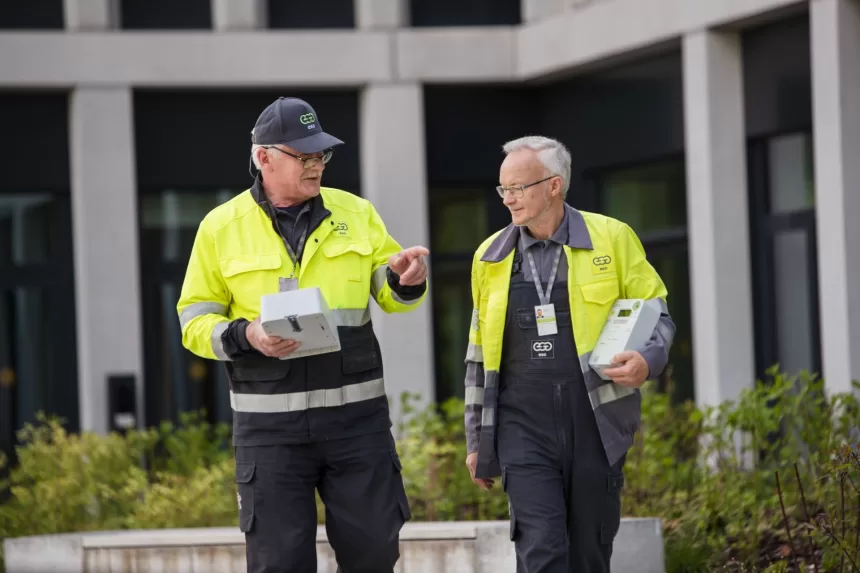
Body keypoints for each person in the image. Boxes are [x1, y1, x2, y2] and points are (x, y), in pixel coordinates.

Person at [177, 96, 429, 573]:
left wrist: (404, 279)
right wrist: (247, 335)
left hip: (357, 424)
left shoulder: (356, 213)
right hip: (270, 433)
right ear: (264, 157)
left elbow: (390, 291)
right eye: (304, 156)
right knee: (279, 563)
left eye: (321, 156)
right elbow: (194, 322)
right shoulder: (220, 228)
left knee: (375, 552)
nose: (316, 166)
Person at [463, 136, 675, 572]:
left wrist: (646, 360)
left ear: (554, 185)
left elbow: (658, 315)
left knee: (589, 555)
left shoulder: (613, 239)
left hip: (596, 420)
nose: (508, 199)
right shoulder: (490, 256)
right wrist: (475, 439)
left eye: (518, 188)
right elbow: (477, 355)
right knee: (541, 552)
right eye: (503, 189)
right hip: (522, 424)